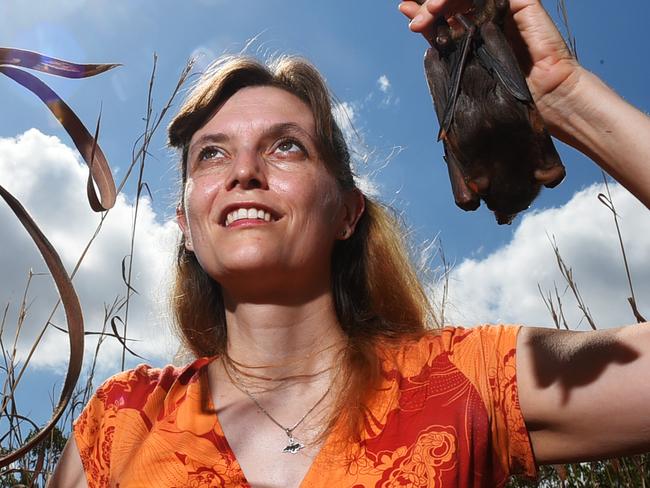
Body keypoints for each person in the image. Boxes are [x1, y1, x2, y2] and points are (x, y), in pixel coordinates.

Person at [51, 0, 650, 486]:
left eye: (286, 146)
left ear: (347, 211)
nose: (244, 171)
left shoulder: (463, 379)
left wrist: (568, 97)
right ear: (186, 222)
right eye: (212, 153)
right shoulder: (119, 424)